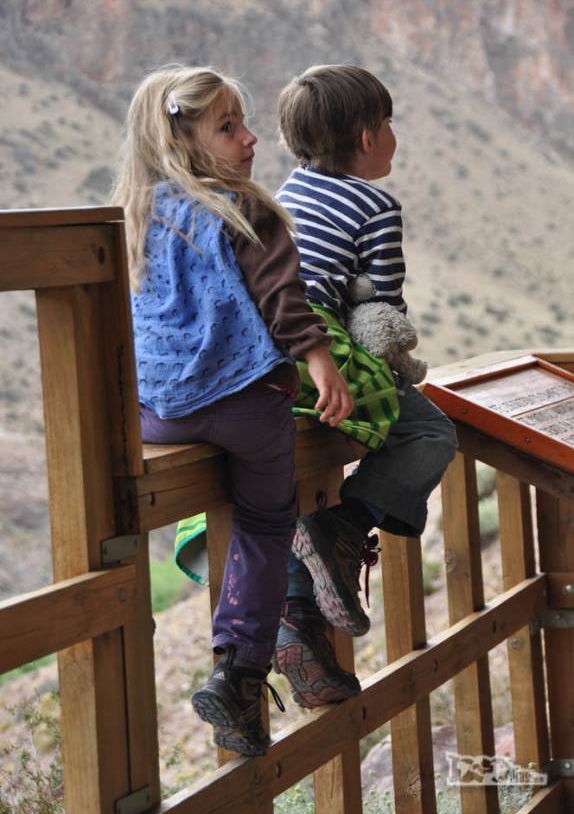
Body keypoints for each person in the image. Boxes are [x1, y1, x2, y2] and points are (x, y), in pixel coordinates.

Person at [112, 65, 353, 757]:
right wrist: (321, 365)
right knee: (268, 521)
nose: (250, 140)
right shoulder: (244, 208)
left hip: (155, 415)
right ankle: (240, 670)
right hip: (244, 404)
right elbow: (282, 300)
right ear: (181, 141)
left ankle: (238, 717)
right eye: (228, 127)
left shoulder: (132, 217)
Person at [273, 64, 457, 678]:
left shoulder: (287, 191)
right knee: (429, 432)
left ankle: (300, 623)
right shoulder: (376, 205)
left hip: (268, 350)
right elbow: (382, 310)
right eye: (389, 122)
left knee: (301, 471)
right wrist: (398, 373)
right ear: (369, 136)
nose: (393, 135)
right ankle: (346, 527)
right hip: (317, 345)